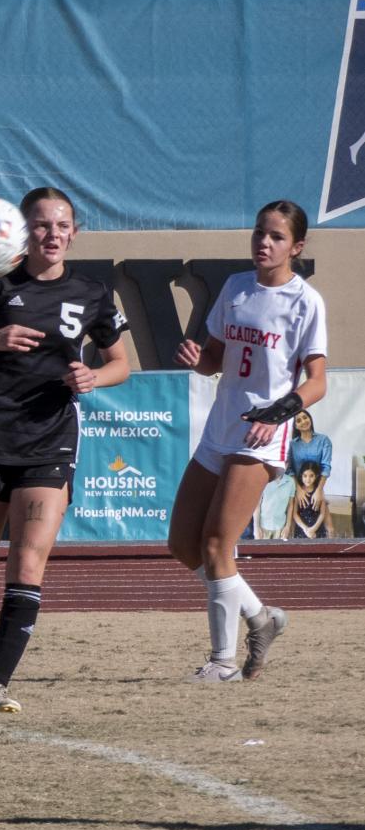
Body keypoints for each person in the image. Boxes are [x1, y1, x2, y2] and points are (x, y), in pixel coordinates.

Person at [0, 187, 132, 714]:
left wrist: (94, 376)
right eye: (41, 225)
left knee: (28, 559)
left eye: (62, 225)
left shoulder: (92, 291)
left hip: (50, 439)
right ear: (24, 231)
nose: (52, 234)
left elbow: (121, 364)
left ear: (74, 232)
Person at [169, 199, 328, 681]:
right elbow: (215, 359)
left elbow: (317, 381)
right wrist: (197, 356)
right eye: (260, 232)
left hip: (263, 435)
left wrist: (279, 414)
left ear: (296, 247)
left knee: (218, 543)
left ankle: (222, 663)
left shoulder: (306, 302)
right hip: (221, 428)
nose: (264, 242)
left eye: (277, 236)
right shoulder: (236, 287)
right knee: (182, 544)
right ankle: (260, 618)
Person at [288, 461, 332, 539]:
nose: (308, 479)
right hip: (302, 529)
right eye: (305, 476)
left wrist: (313, 529)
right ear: (301, 476)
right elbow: (295, 514)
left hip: (317, 528)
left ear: (316, 476)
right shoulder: (298, 492)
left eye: (311, 476)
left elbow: (322, 513)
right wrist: (305, 529)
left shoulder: (319, 492)